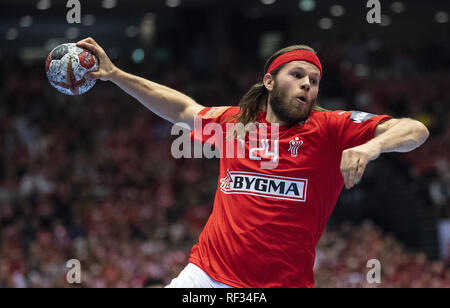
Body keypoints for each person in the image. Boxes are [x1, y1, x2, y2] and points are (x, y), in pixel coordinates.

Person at [76, 38, 429, 288]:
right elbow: (183, 109)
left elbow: (414, 129)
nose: (307, 83)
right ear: (269, 81)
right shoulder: (235, 125)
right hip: (206, 277)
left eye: (314, 80)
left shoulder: (331, 129)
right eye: (297, 75)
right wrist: (118, 75)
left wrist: (373, 147)